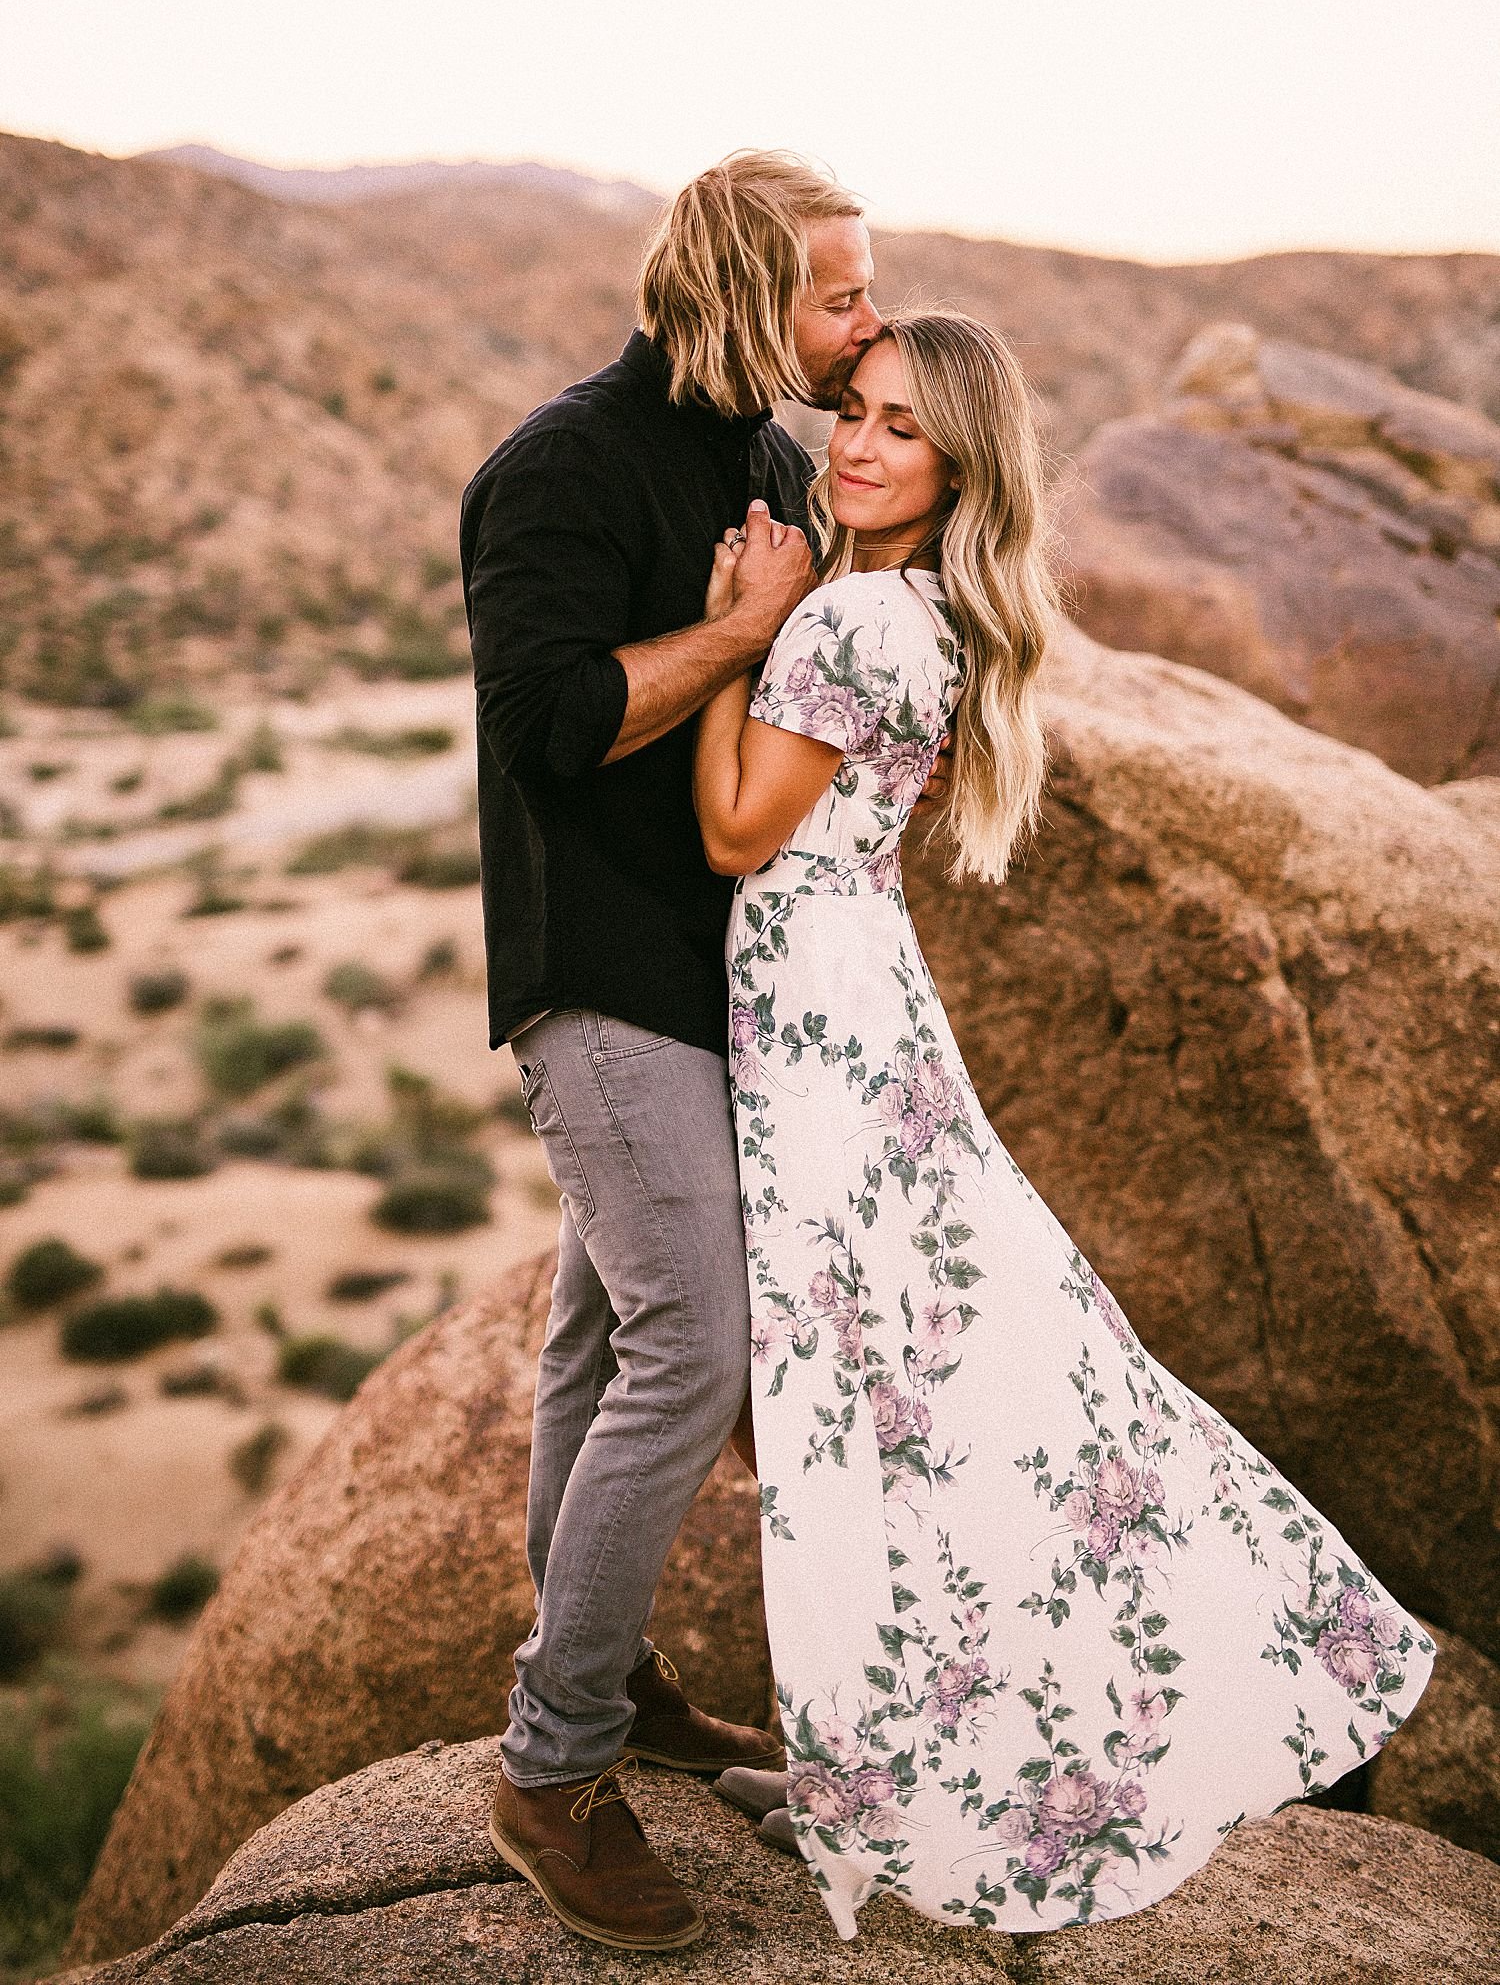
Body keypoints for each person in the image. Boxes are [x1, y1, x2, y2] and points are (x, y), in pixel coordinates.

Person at [691, 311, 1435, 1940]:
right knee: (944, 1353)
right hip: (860, 992)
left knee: (858, 1374)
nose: (860, 444)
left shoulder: (841, 626)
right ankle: (913, 1744)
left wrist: (726, 645)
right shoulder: (931, 616)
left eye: (900, 427)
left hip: (817, 1010)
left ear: (959, 462)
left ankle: (909, 1755)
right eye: (855, 415)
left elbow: (742, 827)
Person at [459, 150, 899, 1952]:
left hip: (718, 987)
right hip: (600, 975)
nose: (861, 321)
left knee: (595, 1340)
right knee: (694, 1347)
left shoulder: (762, 460)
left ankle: (612, 1678)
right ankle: (550, 1767)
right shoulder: (554, 469)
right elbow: (553, 727)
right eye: (838, 295)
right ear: (737, 292)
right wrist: (736, 624)